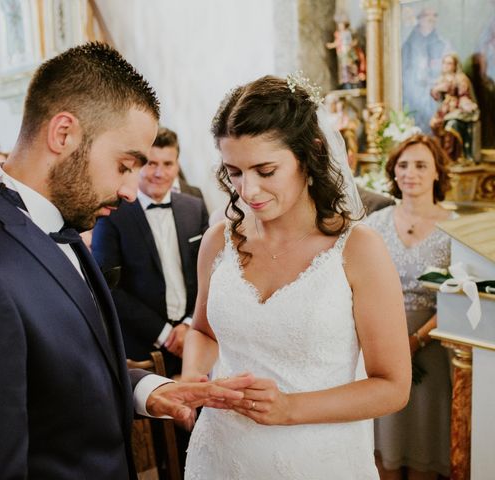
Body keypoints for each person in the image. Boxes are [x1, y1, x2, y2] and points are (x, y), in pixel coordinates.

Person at [0, 42, 252, 479]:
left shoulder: (55, 226)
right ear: (63, 134)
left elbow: (65, 373)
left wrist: (149, 391)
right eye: (125, 165)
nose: (129, 191)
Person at [181, 75, 411, 479]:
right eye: (234, 172)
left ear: (310, 155)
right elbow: (203, 332)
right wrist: (192, 378)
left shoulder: (359, 250)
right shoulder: (219, 240)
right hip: (219, 455)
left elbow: (392, 385)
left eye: (265, 170)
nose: (247, 189)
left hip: (319, 460)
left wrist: (290, 408)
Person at [366, 134, 454, 479]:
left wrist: (416, 340)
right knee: (382, 440)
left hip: (433, 345)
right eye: (402, 165)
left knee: (423, 441)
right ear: (393, 171)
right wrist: (386, 343)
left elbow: (459, 298)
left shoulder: (454, 230)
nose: (410, 173)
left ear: (436, 173)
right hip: (380, 347)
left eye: (420, 165)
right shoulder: (373, 226)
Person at [92, 126, 209, 377]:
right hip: (142, 348)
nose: (159, 173)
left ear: (177, 165)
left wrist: (189, 324)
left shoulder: (194, 208)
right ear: (138, 165)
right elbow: (107, 286)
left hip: (194, 339)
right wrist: (166, 335)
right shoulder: (112, 213)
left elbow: (209, 272)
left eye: (168, 164)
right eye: (152, 163)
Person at [401, 7, 452, 132]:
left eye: (434, 15)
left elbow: (451, 70)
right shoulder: (408, 44)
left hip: (434, 98)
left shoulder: (443, 43)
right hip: (413, 96)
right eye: (427, 15)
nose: (431, 18)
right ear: (419, 19)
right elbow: (403, 75)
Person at [430, 53, 480, 162]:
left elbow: (464, 95)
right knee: (434, 124)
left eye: (449, 63)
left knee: (451, 125)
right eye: (444, 63)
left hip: (456, 108)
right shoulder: (441, 79)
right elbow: (435, 95)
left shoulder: (460, 78)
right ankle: (441, 156)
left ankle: (453, 156)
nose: (446, 66)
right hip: (444, 110)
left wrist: (465, 104)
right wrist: (437, 89)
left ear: (455, 65)